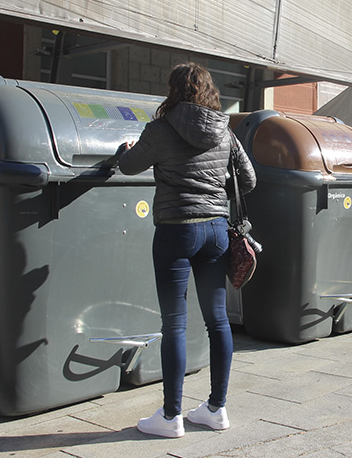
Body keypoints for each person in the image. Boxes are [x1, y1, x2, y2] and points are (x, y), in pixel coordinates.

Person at [118, 63, 256, 438]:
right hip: (215, 232)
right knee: (218, 321)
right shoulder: (224, 131)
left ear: (174, 90)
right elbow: (249, 179)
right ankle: (216, 409)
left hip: (176, 231)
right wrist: (214, 198)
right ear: (209, 91)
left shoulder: (160, 129)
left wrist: (123, 150)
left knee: (174, 324)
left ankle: (171, 416)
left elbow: (129, 166)